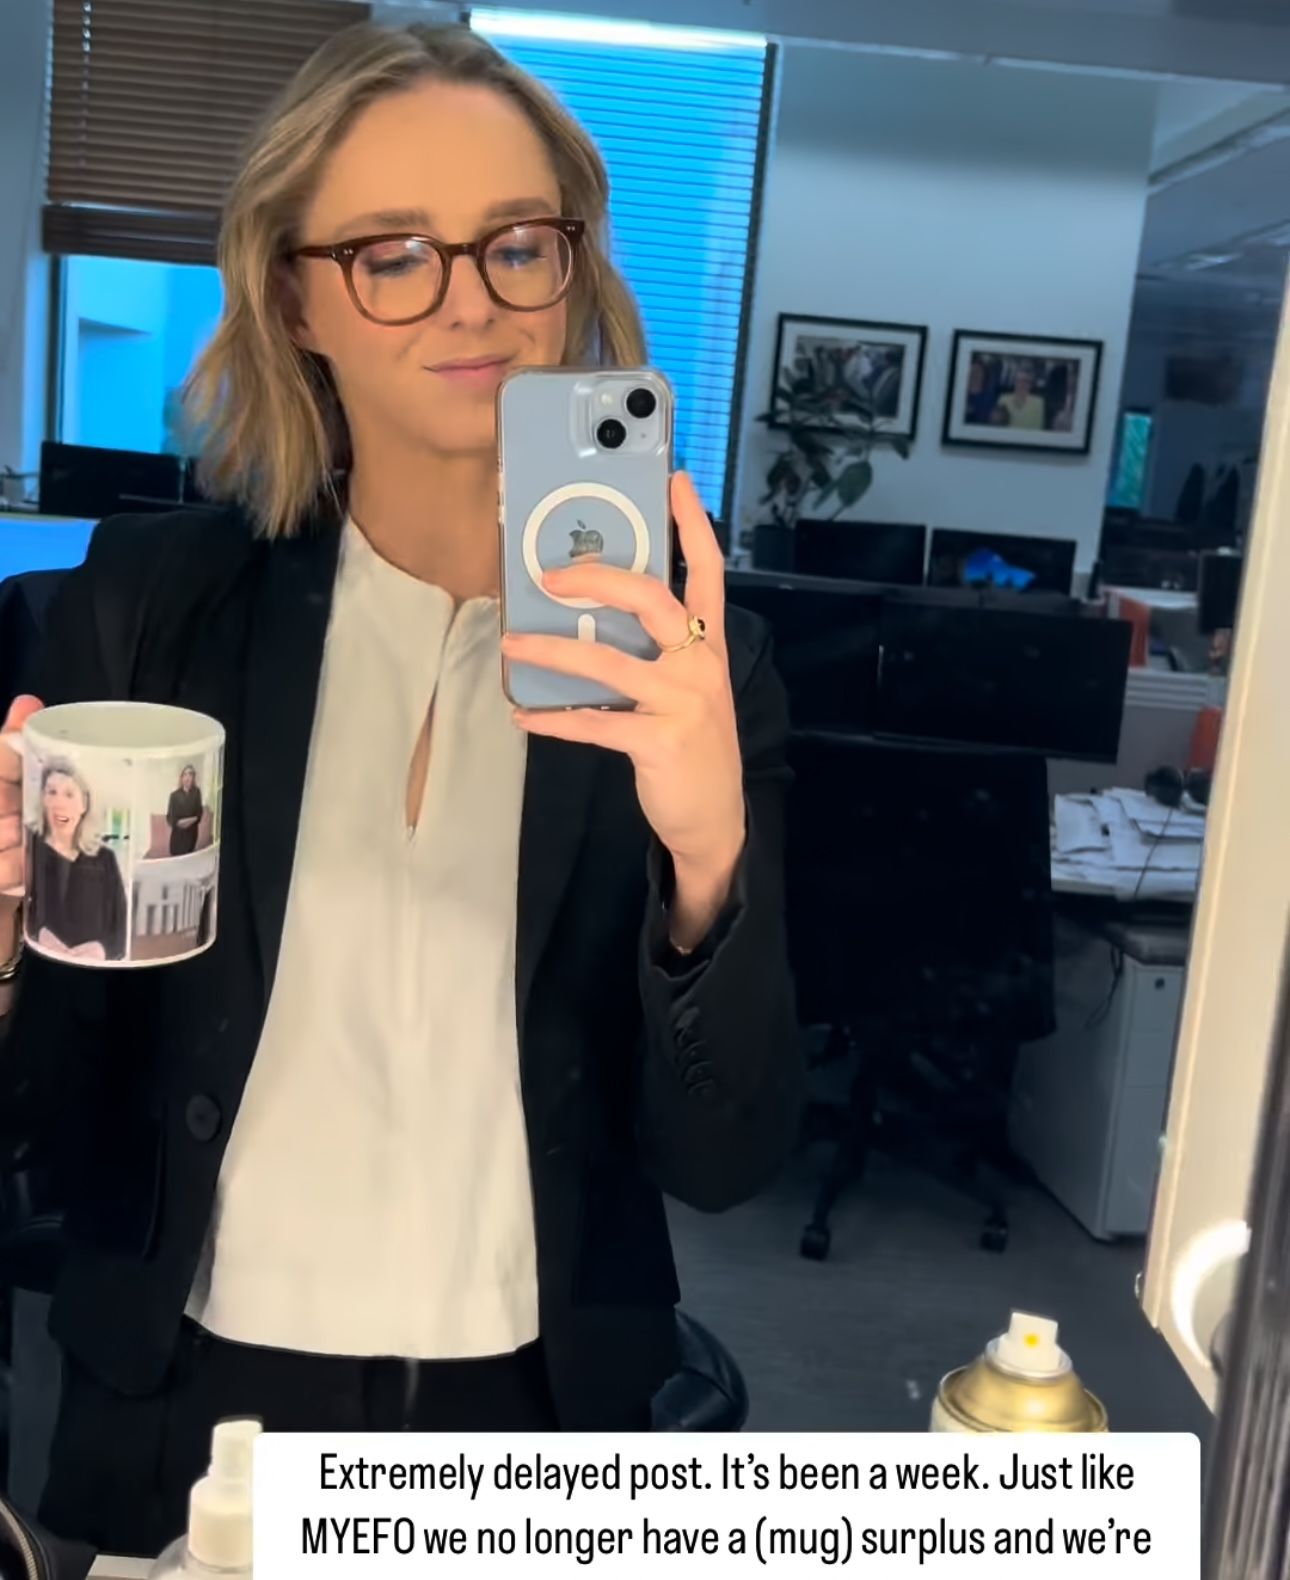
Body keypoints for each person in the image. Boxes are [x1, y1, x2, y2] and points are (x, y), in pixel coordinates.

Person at [0, 21, 799, 1557]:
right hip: (183, 1405)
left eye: (515, 244)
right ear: (295, 295)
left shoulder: (693, 663)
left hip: (534, 1421)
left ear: (570, 270)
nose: (468, 301)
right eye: (392, 254)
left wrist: (706, 856)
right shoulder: (151, 611)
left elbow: (728, 1158)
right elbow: (38, 1115)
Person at [25, 759, 127, 963]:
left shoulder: (105, 859)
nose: (59, 803)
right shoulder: (30, 846)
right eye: (51, 792)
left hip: (93, 972)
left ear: (84, 805)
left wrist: (101, 949)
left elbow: (121, 928)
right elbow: (15, 909)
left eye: (69, 794)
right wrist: (39, 933)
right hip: (40, 965)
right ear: (43, 799)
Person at [993, 360, 1045, 430]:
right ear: (1014, 383)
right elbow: (997, 425)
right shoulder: (1003, 398)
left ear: (1031, 385)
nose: (1022, 384)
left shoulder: (1038, 402)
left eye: (1026, 382)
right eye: (1019, 381)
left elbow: (1038, 428)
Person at [166, 764, 204, 856]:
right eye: (185, 774)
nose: (187, 777)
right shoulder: (174, 796)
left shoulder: (197, 792)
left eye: (190, 774)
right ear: (181, 777)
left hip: (191, 836)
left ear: (193, 777)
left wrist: (192, 820)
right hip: (178, 838)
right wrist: (180, 823)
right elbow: (170, 818)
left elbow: (199, 814)